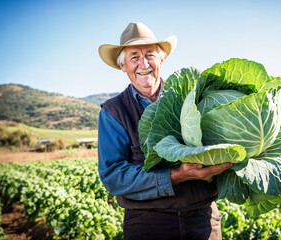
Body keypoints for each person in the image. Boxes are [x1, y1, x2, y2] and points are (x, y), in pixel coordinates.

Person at [97, 22, 233, 240]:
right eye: (134, 57)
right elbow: (114, 176)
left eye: (150, 55)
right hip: (148, 224)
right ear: (123, 66)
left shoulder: (193, 95)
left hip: (203, 220)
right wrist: (177, 175)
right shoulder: (114, 112)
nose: (143, 64)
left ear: (161, 59)